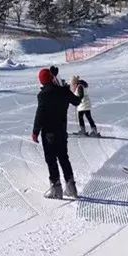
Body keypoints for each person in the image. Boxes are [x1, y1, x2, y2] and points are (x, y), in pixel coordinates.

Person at [32, 68, 82, 199]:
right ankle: (71, 188)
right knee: (64, 158)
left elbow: (40, 114)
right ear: (52, 78)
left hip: (48, 133)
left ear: (42, 81)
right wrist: (74, 89)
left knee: (51, 160)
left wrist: (35, 132)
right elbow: (77, 101)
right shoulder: (63, 91)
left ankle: (56, 189)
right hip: (61, 132)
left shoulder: (43, 95)